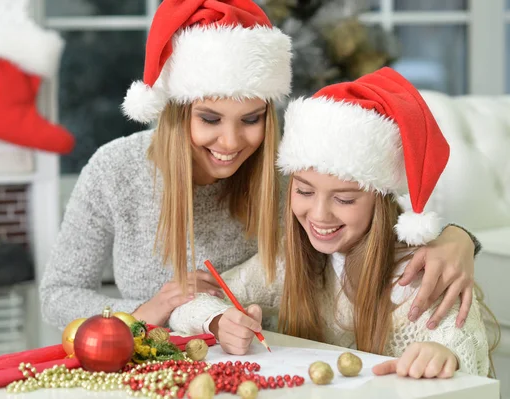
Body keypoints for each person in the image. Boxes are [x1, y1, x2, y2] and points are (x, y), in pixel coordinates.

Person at [40, 0, 480, 331]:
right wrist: (141, 312)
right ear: (177, 112)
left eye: (251, 120)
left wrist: (459, 239)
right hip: (145, 359)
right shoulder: (115, 169)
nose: (231, 143)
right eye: (210, 119)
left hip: (263, 365)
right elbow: (57, 295)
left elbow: (378, 214)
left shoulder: (287, 168)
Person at [169, 67, 494, 378]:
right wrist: (217, 320)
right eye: (304, 191)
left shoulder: (419, 277)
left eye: (344, 199)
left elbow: (468, 362)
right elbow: (188, 305)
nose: (320, 215)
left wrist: (443, 358)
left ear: (378, 201)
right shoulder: (288, 261)